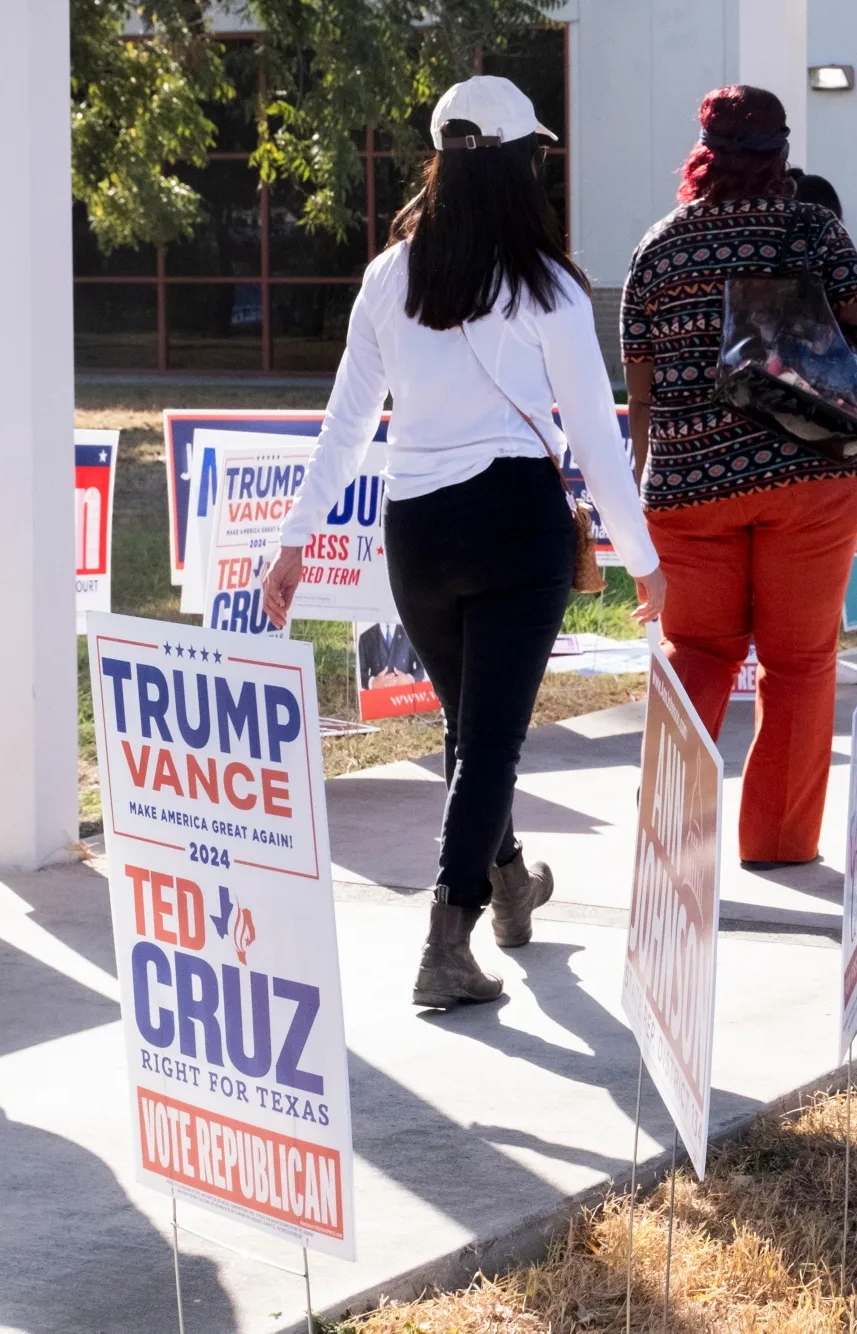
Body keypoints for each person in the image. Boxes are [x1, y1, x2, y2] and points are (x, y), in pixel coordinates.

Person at [262, 75, 666, 1007]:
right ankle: (448, 940)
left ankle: (510, 880)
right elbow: (594, 434)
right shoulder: (549, 285)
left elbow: (346, 423)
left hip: (417, 531)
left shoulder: (388, 275)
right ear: (522, 166)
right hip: (513, 521)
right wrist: (645, 560)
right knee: (488, 740)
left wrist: (295, 540)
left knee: (472, 728)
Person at [621, 86, 857, 870]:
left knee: (698, 652)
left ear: (703, 153)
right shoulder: (814, 231)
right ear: (781, 153)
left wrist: (636, 505)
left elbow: (642, 398)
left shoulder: (657, 249)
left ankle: (669, 835)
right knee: (798, 665)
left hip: (688, 491)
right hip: (809, 481)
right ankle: (780, 843)